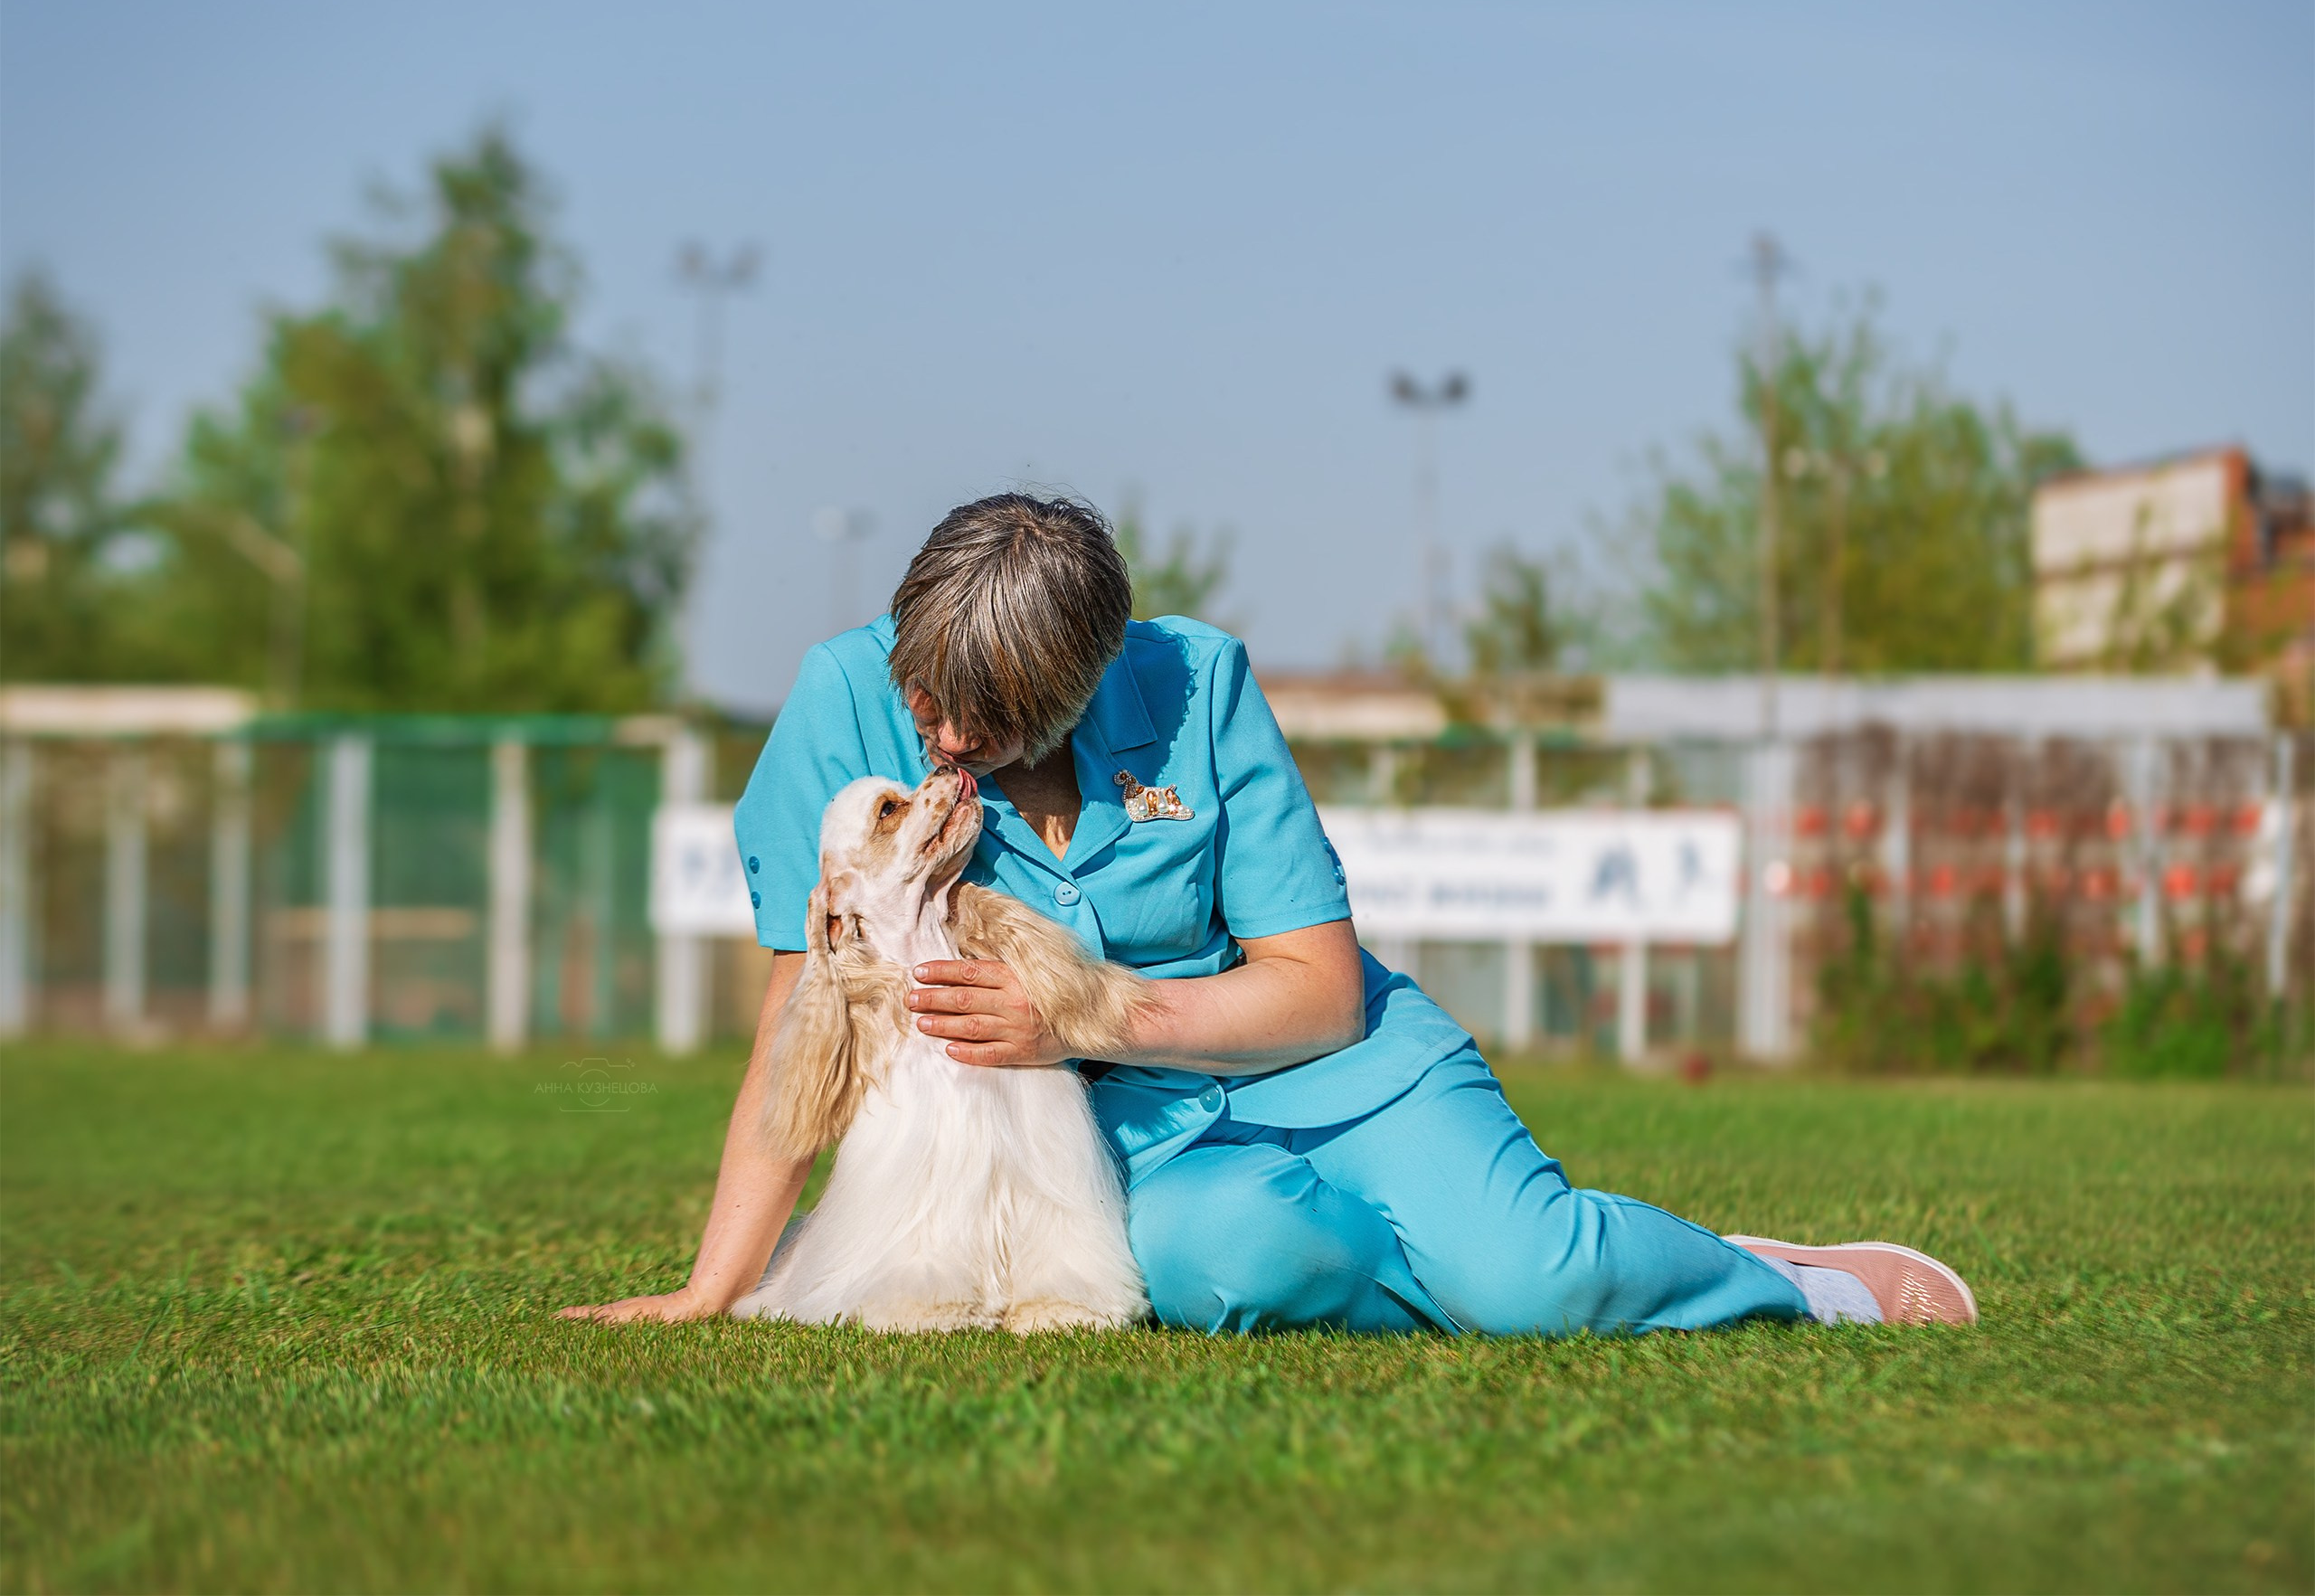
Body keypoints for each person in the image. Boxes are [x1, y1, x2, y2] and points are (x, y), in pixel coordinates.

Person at [565, 495, 1977, 1334]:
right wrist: (713, 1284)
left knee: (1535, 1281)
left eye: (974, 713)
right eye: (920, 684)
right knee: (1219, 1258)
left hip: (1333, 1064)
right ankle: (1464, 1265)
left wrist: (1093, 1011)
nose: (930, 725)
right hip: (1125, 1126)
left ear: (1084, 680)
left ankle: (1790, 1284)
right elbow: (808, 1002)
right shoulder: (848, 695)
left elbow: (1318, 987)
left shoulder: (1197, 683)